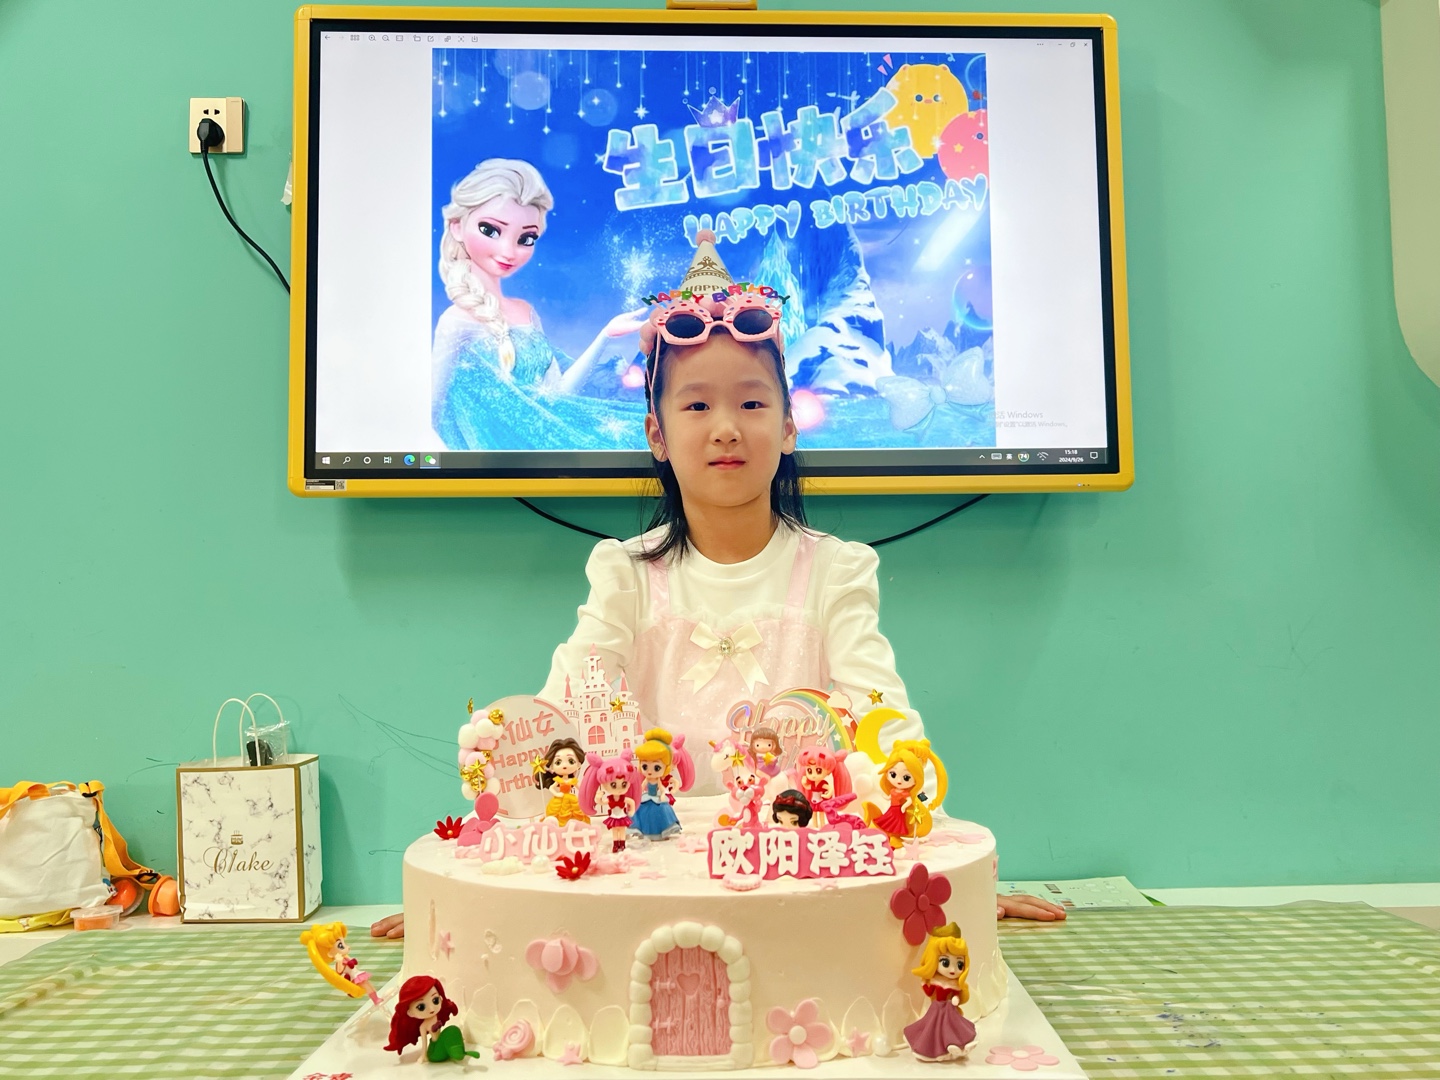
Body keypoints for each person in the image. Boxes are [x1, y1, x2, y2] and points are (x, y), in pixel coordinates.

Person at [372, 230, 1062, 941]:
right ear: (656, 433)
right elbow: (559, 728)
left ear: (789, 426)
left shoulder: (836, 572)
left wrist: (939, 876)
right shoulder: (624, 576)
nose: (726, 428)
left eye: (753, 405)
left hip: (798, 904)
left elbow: (889, 733)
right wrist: (478, 890)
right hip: (647, 905)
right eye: (697, 406)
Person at [430, 158, 650, 450]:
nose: (509, 251)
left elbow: (558, 395)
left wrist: (605, 335)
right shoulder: (456, 321)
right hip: (501, 458)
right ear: (457, 227)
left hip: (552, 448)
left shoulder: (526, 312)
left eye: (526, 238)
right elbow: (433, 409)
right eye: (490, 230)